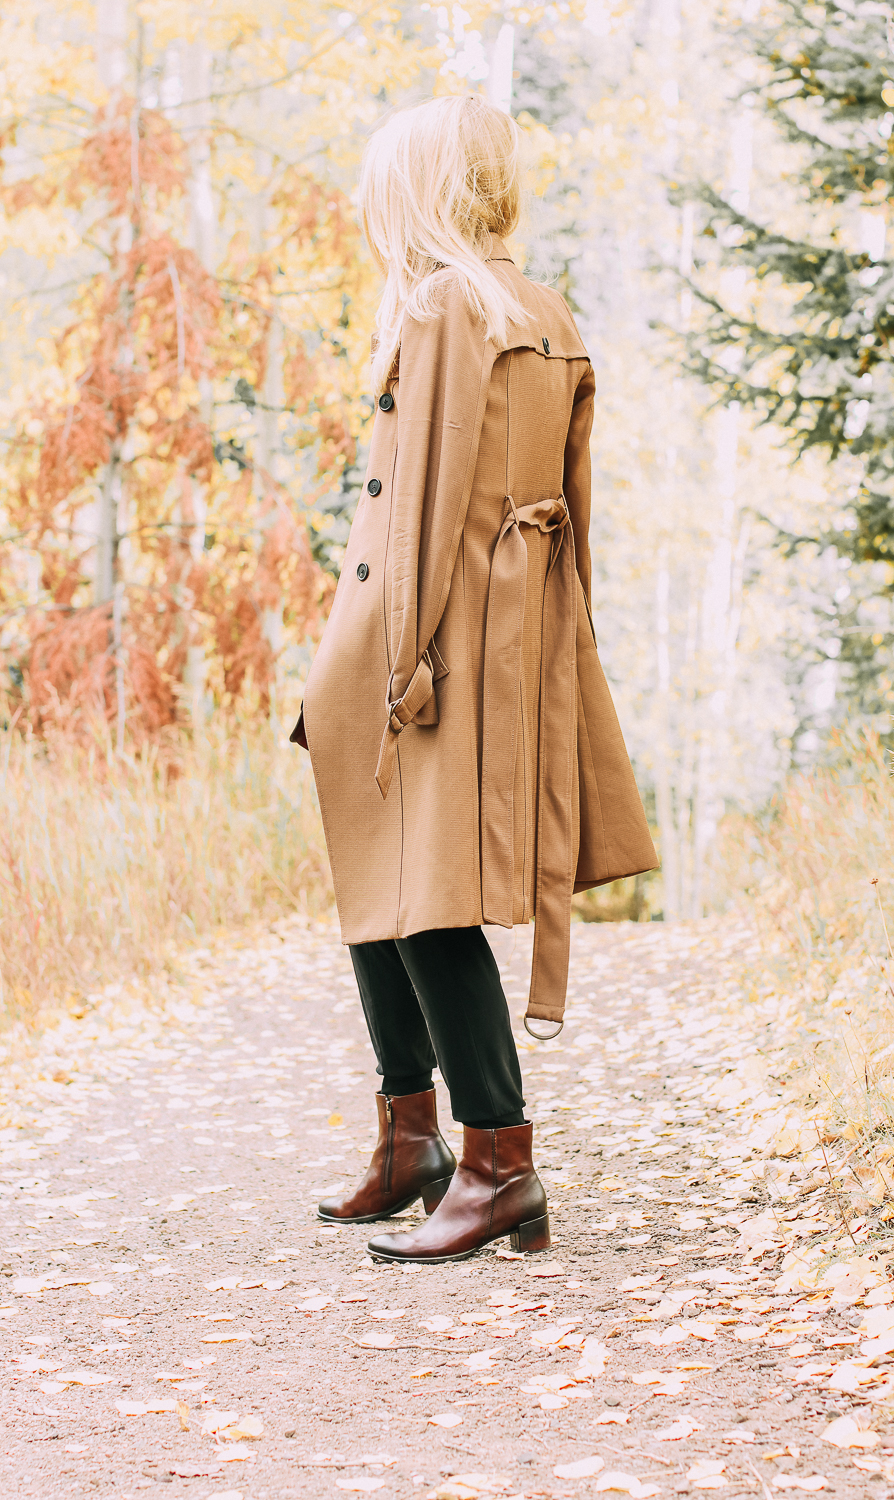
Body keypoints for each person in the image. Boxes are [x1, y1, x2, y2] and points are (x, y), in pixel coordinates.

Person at [291, 94, 656, 1265]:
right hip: (500, 625)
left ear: (419, 195)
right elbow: (568, 512)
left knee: (427, 890)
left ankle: (497, 1155)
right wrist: (560, 645)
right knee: (379, 871)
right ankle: (413, 1138)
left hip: (426, 634)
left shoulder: (452, 304)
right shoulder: (541, 307)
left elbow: (430, 507)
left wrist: (396, 668)